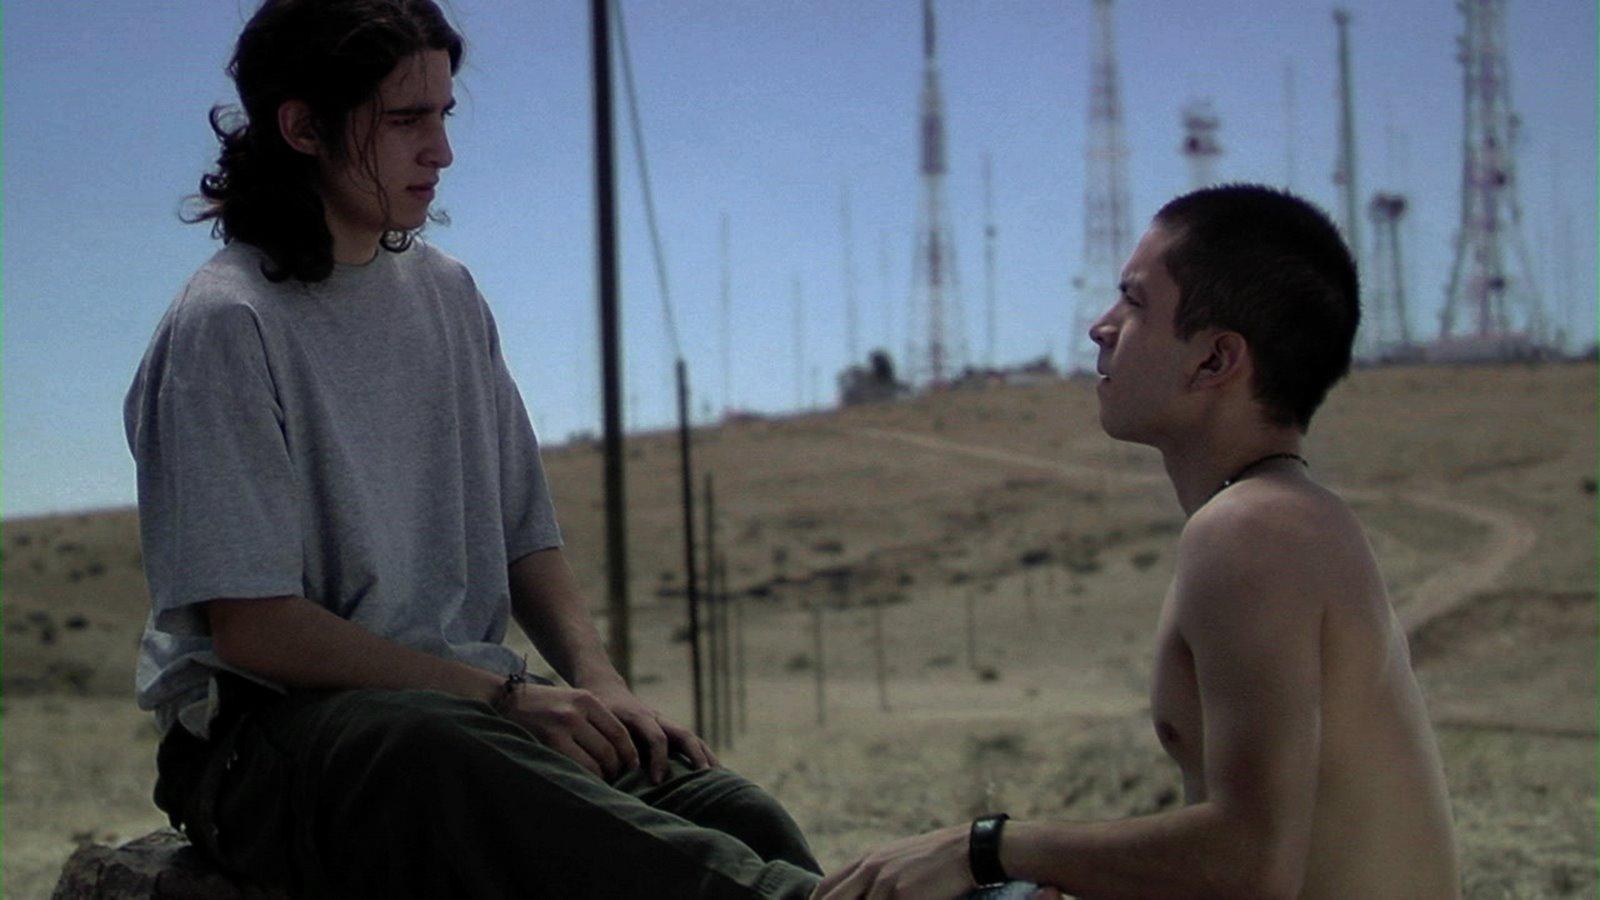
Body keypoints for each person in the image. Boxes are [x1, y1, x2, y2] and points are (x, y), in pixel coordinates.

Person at [124, 2, 820, 896]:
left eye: (444, 115)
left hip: (467, 710)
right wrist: (504, 697)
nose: (442, 151)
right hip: (270, 744)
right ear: (302, 128)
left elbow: (525, 535)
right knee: (435, 750)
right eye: (405, 120)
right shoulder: (227, 323)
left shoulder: (448, 295)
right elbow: (257, 630)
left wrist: (600, 683)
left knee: (727, 808)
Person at [816, 185, 1460, 899]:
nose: (1101, 326)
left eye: (1135, 302)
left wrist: (988, 848)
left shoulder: (1252, 531)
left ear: (1214, 361)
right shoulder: (1284, 514)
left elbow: (1251, 864)